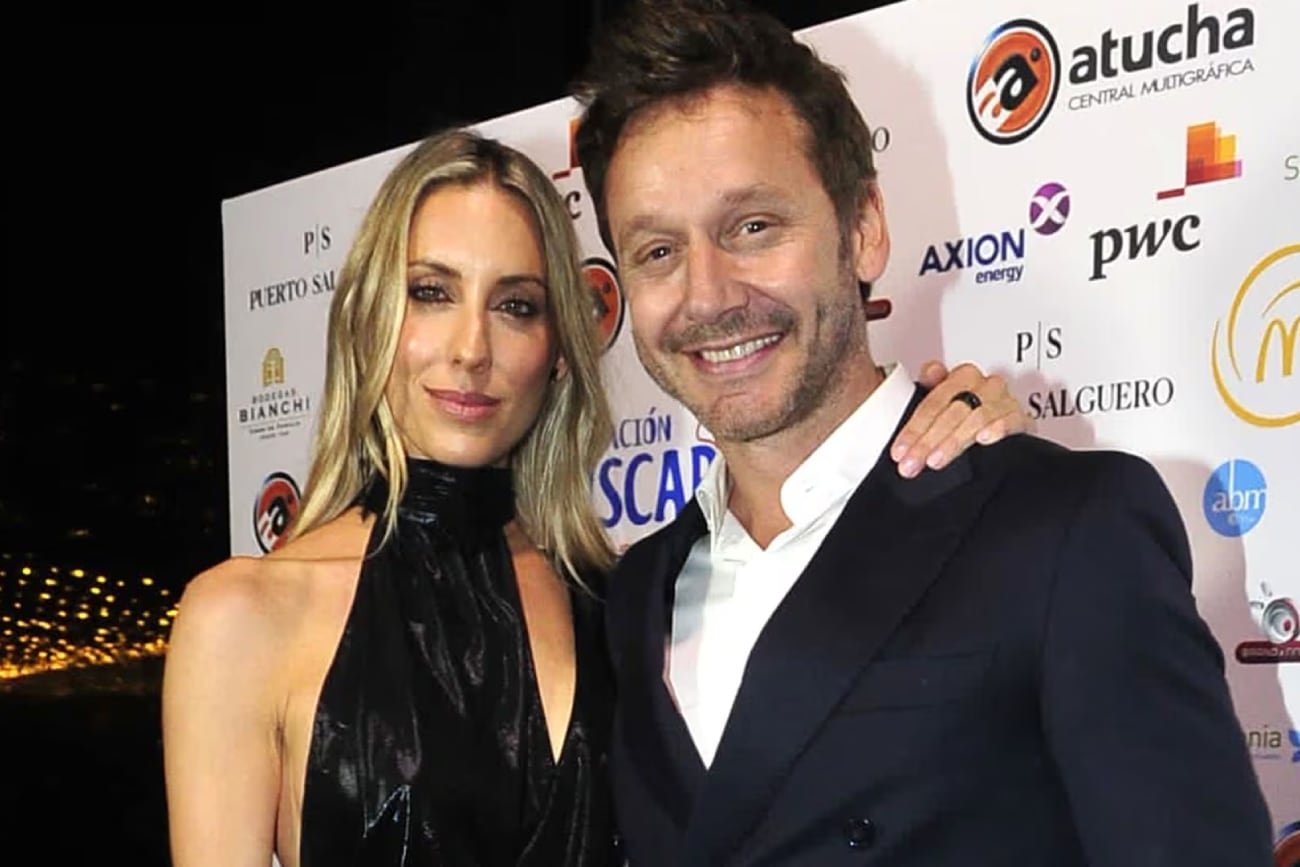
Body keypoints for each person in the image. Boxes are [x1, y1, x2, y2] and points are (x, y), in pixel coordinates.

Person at [161, 128, 1024, 867]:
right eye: (430, 293)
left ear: (560, 350)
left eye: (516, 305)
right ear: (367, 318)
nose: (471, 349)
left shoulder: (627, 600)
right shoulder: (242, 616)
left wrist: (945, 444)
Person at [570, 1, 1275, 865]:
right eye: (657, 252)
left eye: (752, 226)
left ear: (864, 228)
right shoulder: (634, 594)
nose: (708, 295)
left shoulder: (1066, 528)